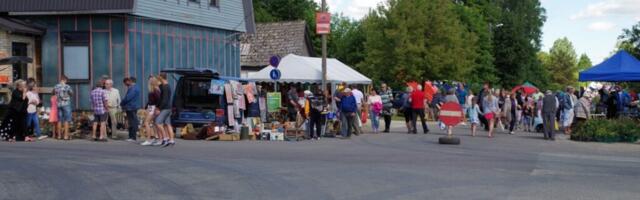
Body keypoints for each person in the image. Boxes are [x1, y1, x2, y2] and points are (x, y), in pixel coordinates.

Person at [155, 73, 175, 147]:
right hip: (168, 108)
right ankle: (172, 140)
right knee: (168, 124)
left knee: (158, 123)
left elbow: (164, 100)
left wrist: (159, 108)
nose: (158, 79)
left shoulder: (165, 87)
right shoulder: (165, 86)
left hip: (165, 108)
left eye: (159, 77)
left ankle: (165, 139)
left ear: (161, 77)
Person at [141, 76, 162, 146]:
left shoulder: (155, 90)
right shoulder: (155, 90)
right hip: (152, 107)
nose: (148, 82)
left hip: (153, 108)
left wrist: (157, 108)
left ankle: (149, 139)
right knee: (154, 123)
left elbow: (158, 100)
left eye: (149, 81)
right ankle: (156, 138)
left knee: (146, 122)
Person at [121, 77, 141, 142]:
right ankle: (132, 136)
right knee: (132, 121)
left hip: (131, 107)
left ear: (131, 81)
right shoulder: (136, 87)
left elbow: (128, 98)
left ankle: (132, 137)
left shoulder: (133, 88)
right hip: (133, 106)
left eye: (128, 81)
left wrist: (121, 103)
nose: (127, 83)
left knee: (132, 122)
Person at [54, 76, 73, 140]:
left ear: (60, 80)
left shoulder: (56, 86)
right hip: (66, 104)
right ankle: (65, 136)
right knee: (66, 120)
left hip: (59, 104)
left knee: (59, 120)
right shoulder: (67, 86)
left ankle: (59, 136)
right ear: (65, 80)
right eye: (66, 80)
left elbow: (53, 92)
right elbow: (71, 93)